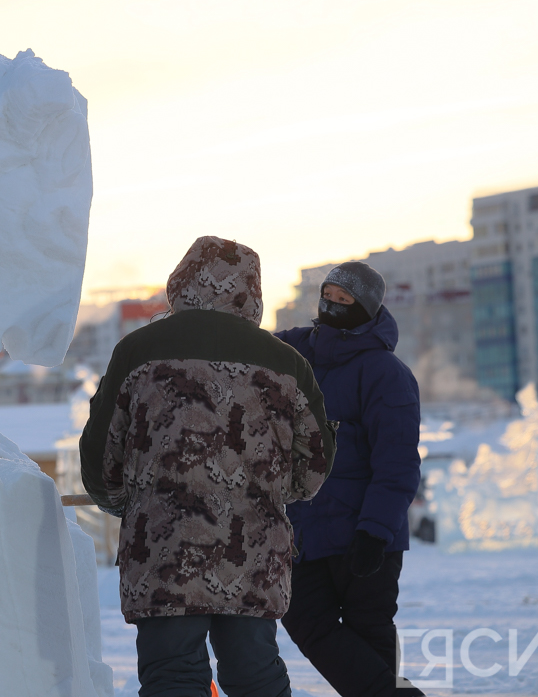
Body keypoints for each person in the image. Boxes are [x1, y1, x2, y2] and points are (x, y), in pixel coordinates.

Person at [79, 236, 336, 697]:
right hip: (254, 551)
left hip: (162, 547)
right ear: (253, 292)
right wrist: (271, 494)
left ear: (182, 281)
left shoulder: (138, 350)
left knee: (173, 676)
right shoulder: (286, 362)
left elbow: (100, 457)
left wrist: (131, 505)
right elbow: (314, 466)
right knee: (255, 673)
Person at [275, 262, 423, 696]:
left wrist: (374, 533)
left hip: (364, 532)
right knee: (303, 619)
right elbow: (247, 350)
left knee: (369, 629)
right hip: (305, 530)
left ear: (368, 308)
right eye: (329, 296)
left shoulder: (386, 373)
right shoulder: (296, 352)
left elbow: (397, 465)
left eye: (346, 300)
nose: (333, 305)